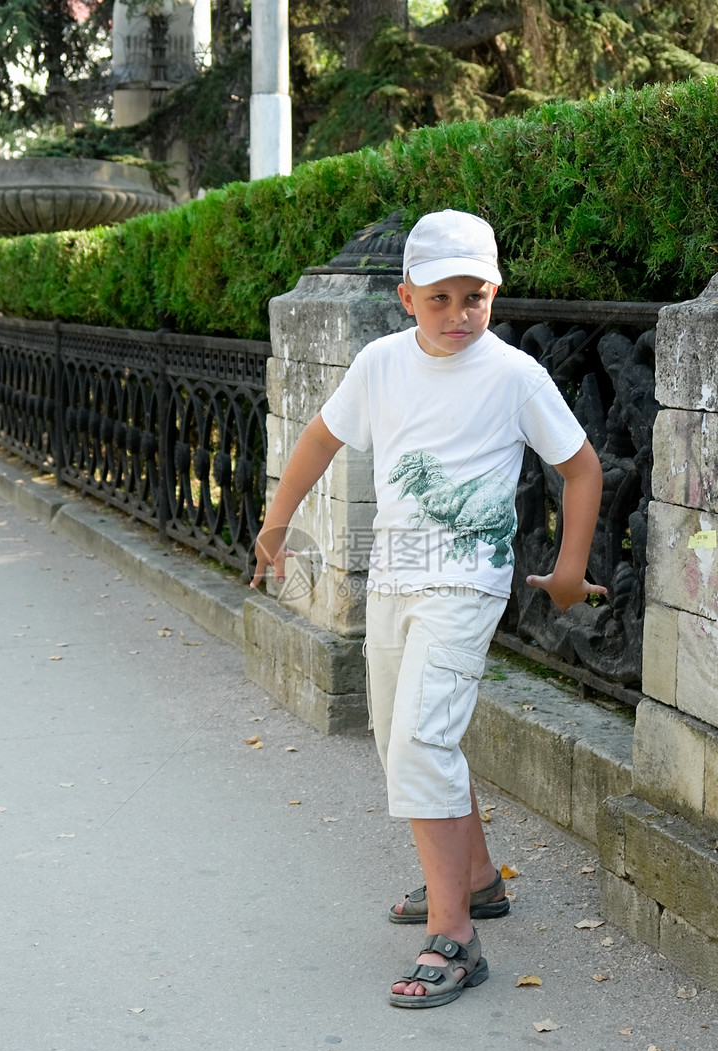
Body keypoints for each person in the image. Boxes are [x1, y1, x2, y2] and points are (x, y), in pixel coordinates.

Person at [250, 209, 606, 1008]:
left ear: (495, 293)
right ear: (407, 297)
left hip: (468, 579)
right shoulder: (380, 364)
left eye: (474, 297)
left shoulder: (515, 376)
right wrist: (277, 526)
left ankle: (456, 935)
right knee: (398, 735)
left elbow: (582, 468)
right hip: (395, 578)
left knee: (420, 738)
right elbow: (317, 439)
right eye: (440, 298)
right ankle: (478, 879)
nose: (458, 315)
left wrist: (572, 568)